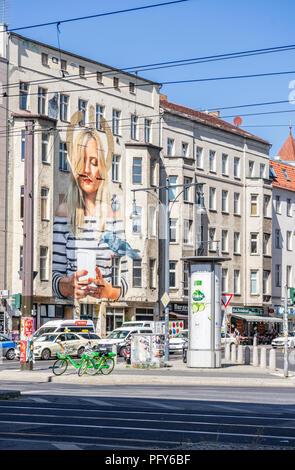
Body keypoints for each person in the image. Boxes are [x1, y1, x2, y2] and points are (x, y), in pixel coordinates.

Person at [52, 117, 138, 301]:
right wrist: (67, 286)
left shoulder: (113, 214)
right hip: (69, 308)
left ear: (102, 167)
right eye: (81, 161)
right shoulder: (64, 212)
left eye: (93, 161)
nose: (86, 169)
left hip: (106, 307)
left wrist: (108, 291)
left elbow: (124, 280)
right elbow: (53, 276)